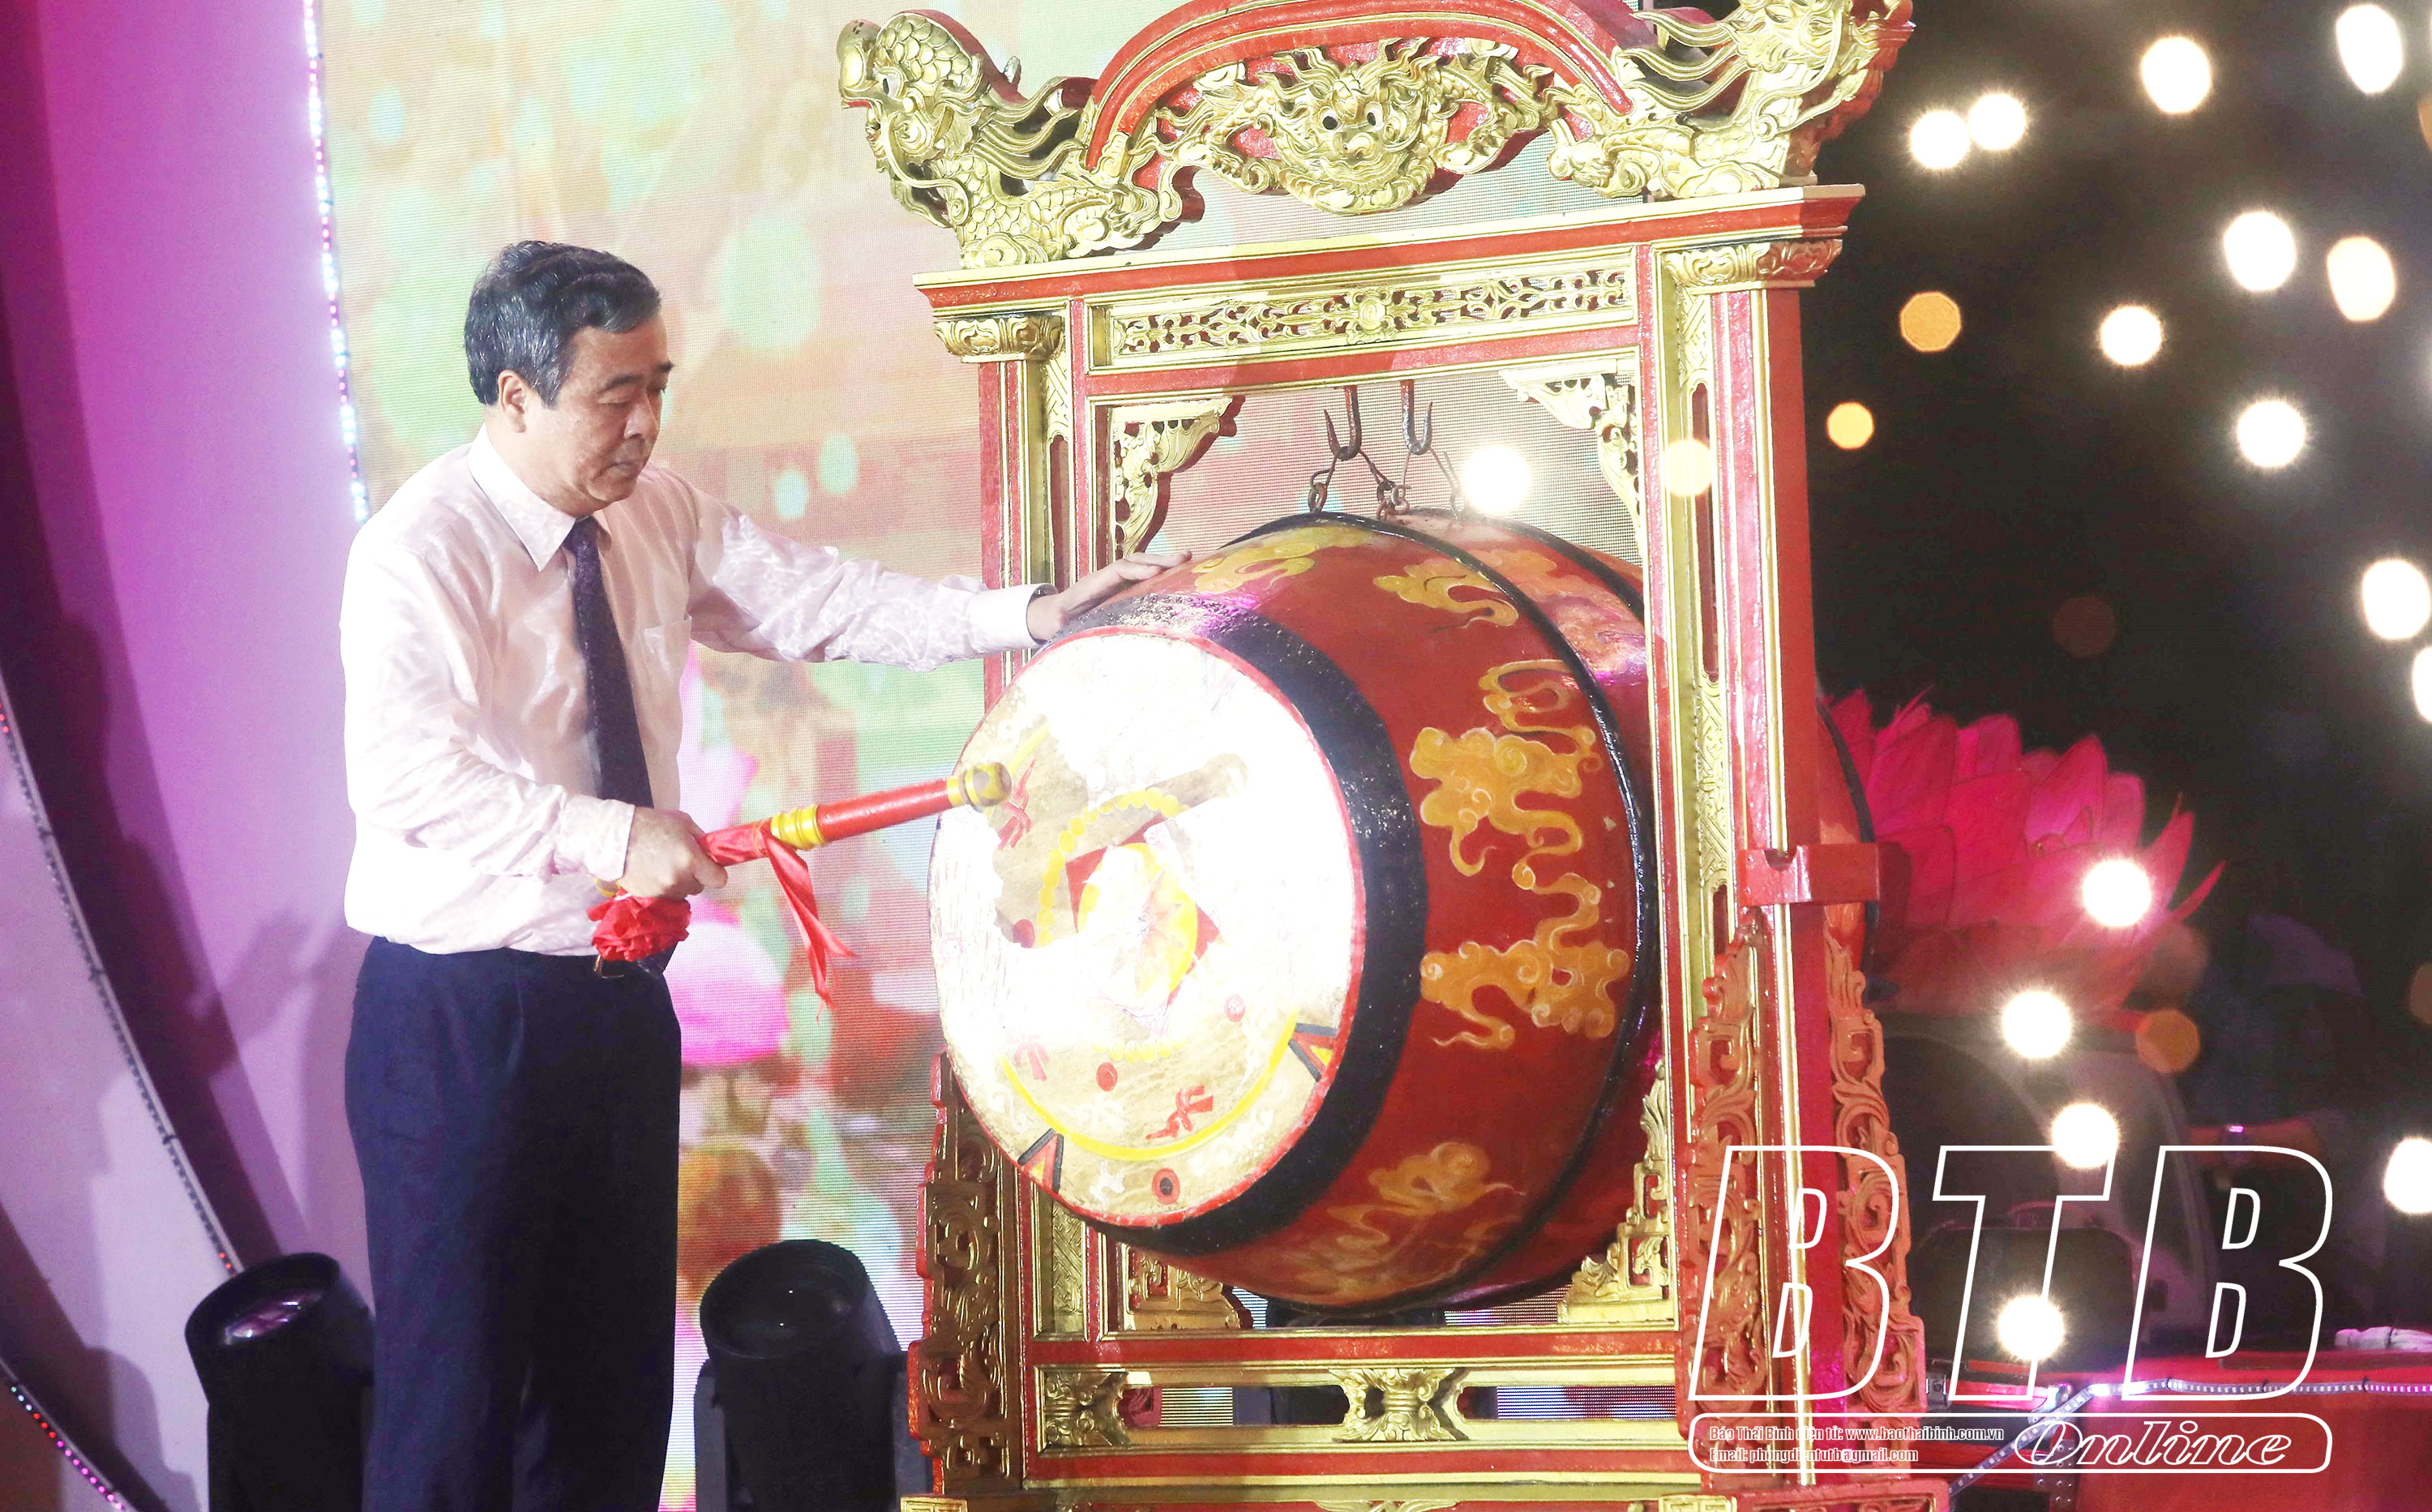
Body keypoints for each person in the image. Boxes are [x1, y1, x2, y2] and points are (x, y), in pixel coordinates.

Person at [338, 241, 1178, 1510]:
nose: (644, 423)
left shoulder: (655, 509)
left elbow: (817, 602)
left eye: (657, 387)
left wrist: (1022, 617)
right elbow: (407, 781)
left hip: (614, 999)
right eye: (612, 395)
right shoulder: (420, 550)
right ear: (514, 396)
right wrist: (611, 834)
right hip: (463, 1017)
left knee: (608, 1397)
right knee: (454, 1404)